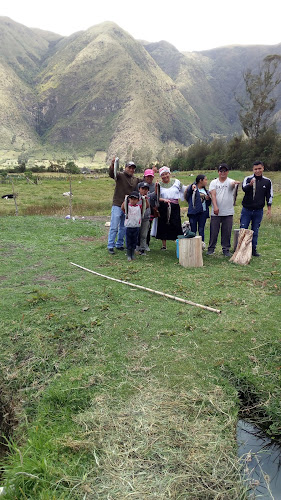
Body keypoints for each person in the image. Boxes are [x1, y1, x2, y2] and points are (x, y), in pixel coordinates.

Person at [107, 158, 141, 255]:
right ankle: (110, 245)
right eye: (129, 167)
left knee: (123, 226)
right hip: (117, 204)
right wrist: (113, 164)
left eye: (133, 168)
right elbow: (111, 174)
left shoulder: (135, 180)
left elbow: (144, 182)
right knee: (114, 226)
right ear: (125, 168)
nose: (131, 170)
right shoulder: (120, 175)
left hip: (128, 206)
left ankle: (119, 244)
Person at [240, 161, 273, 257]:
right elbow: (244, 189)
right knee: (243, 229)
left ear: (263, 168)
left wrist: (269, 208)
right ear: (253, 169)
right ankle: (240, 249)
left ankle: (253, 250)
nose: (257, 171)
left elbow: (269, 195)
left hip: (258, 210)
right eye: (255, 169)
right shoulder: (248, 178)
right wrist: (250, 185)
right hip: (247, 209)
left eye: (259, 168)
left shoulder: (267, 181)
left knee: (255, 230)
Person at [207, 163, 240, 257]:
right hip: (216, 212)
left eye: (225, 171)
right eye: (221, 171)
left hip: (228, 211)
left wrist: (235, 184)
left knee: (227, 232)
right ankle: (211, 249)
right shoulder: (214, 182)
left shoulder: (230, 181)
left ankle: (226, 249)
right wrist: (215, 207)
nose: (223, 173)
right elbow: (213, 195)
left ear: (228, 172)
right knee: (214, 231)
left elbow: (233, 185)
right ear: (218, 172)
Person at [155, 166, 186, 250]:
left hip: (175, 206)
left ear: (169, 173)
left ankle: (179, 244)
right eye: (163, 175)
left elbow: (184, 190)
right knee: (163, 224)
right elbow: (157, 197)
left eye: (166, 174)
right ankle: (164, 245)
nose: (165, 176)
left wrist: (192, 187)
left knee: (176, 223)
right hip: (164, 206)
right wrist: (164, 200)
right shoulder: (159, 185)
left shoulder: (176, 182)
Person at [184, 174, 211, 248]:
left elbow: (208, 203)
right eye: (205, 179)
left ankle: (201, 246)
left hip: (203, 212)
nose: (206, 181)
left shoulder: (205, 190)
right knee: (193, 230)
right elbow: (188, 192)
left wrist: (208, 199)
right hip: (194, 213)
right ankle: (192, 246)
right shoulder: (193, 188)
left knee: (201, 229)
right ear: (200, 180)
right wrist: (192, 186)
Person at [121, 191, 143, 261]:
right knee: (128, 241)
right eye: (131, 199)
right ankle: (128, 254)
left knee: (134, 241)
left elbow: (147, 206)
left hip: (136, 227)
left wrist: (144, 199)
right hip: (128, 227)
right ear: (129, 199)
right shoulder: (127, 206)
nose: (133, 201)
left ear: (138, 200)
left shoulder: (139, 207)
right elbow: (122, 208)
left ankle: (132, 253)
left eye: (135, 199)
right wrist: (125, 199)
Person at [136, 182, 151, 255]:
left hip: (146, 218)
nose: (144, 191)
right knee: (136, 233)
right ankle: (135, 247)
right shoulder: (135, 197)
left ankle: (142, 248)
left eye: (146, 189)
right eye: (143, 189)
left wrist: (146, 199)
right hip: (137, 219)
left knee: (144, 234)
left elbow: (147, 206)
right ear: (139, 189)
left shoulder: (149, 197)